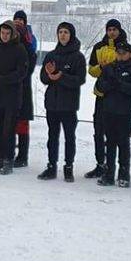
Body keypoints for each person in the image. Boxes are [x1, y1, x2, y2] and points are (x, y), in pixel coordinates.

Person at [38, 21, 87, 180]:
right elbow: (43, 78)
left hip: (69, 104)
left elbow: (79, 79)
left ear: (71, 35)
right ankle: (51, 166)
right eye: (60, 32)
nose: (63, 35)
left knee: (69, 137)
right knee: (52, 136)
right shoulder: (51, 55)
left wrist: (61, 76)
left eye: (66, 32)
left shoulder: (78, 57)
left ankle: (68, 167)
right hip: (52, 103)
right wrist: (49, 75)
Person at [0, 21, 30, 176]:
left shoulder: (19, 49)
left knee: (8, 129)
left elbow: (21, 72)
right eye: (2, 33)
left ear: (13, 34)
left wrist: (2, 79)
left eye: (7, 33)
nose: (4, 36)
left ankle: (9, 159)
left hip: (12, 95)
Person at [94, 39, 131, 187]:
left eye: (123, 53)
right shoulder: (109, 68)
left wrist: (119, 84)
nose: (120, 55)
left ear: (130, 54)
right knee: (110, 142)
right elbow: (100, 86)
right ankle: (109, 173)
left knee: (123, 142)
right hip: (108, 110)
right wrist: (111, 84)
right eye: (118, 52)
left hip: (124, 112)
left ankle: (124, 173)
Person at [87, 18, 129, 182]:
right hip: (101, 94)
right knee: (98, 131)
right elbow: (91, 70)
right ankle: (100, 163)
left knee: (116, 134)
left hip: (118, 97)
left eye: (114, 29)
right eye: (109, 29)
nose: (112, 32)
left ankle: (117, 168)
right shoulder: (99, 47)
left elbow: (129, 66)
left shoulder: (124, 47)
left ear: (119, 30)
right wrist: (102, 67)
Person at [12, 10, 38, 167]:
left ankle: (22, 156)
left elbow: (30, 67)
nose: (18, 22)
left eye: (21, 20)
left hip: (23, 88)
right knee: (8, 123)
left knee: (22, 124)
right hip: (8, 90)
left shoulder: (30, 41)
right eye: (16, 19)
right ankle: (9, 153)